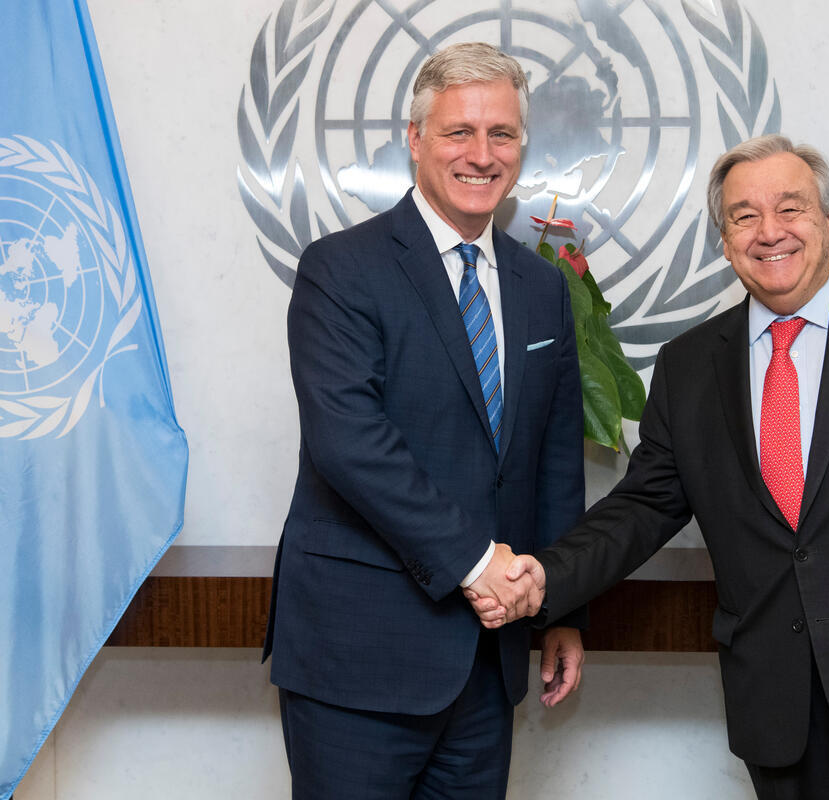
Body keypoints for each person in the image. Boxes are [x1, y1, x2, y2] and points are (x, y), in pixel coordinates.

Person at [468, 135, 829, 799]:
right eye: (744, 216)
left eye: (790, 209)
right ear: (725, 239)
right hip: (778, 706)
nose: (770, 232)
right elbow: (642, 508)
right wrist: (544, 578)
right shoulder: (688, 366)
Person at [263, 42, 586, 799]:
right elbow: (350, 445)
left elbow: (553, 460)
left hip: (489, 663)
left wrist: (561, 609)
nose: (482, 154)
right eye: (458, 132)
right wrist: (478, 565)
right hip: (358, 658)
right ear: (415, 139)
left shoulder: (542, 288)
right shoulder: (341, 269)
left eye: (501, 133)